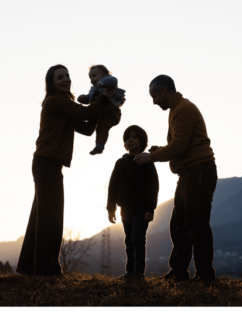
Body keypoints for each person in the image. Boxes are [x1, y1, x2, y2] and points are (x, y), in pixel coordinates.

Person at [16, 64, 118, 277]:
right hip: (46, 163)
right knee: (50, 216)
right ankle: (46, 268)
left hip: (48, 164)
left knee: (41, 216)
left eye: (67, 75)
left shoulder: (65, 105)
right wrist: (106, 97)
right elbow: (88, 111)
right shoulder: (56, 102)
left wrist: (104, 113)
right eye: (60, 77)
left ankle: (28, 266)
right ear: (51, 83)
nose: (65, 79)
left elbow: (88, 128)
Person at [133, 74, 218, 282]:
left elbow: (179, 146)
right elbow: (181, 146)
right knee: (178, 223)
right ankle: (179, 271)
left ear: (163, 91)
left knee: (196, 223)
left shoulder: (183, 109)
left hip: (198, 171)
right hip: (188, 173)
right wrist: (160, 150)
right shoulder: (176, 110)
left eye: (154, 96)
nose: (154, 101)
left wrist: (152, 156)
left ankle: (205, 273)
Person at [107, 125, 159, 279]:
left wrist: (150, 209)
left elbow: (153, 186)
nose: (130, 140)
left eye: (134, 137)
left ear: (142, 141)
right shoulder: (120, 163)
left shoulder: (146, 161)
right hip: (125, 209)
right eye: (128, 137)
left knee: (137, 238)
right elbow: (113, 186)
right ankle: (130, 271)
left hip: (141, 209)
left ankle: (138, 272)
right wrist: (111, 208)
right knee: (128, 240)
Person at [77, 65, 125, 155]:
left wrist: (102, 83)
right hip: (101, 114)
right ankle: (98, 146)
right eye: (90, 77)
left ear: (103, 75)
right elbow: (90, 98)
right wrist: (84, 98)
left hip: (112, 112)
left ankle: (101, 144)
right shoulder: (93, 89)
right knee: (98, 128)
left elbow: (113, 80)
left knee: (104, 126)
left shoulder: (109, 81)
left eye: (94, 76)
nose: (92, 79)